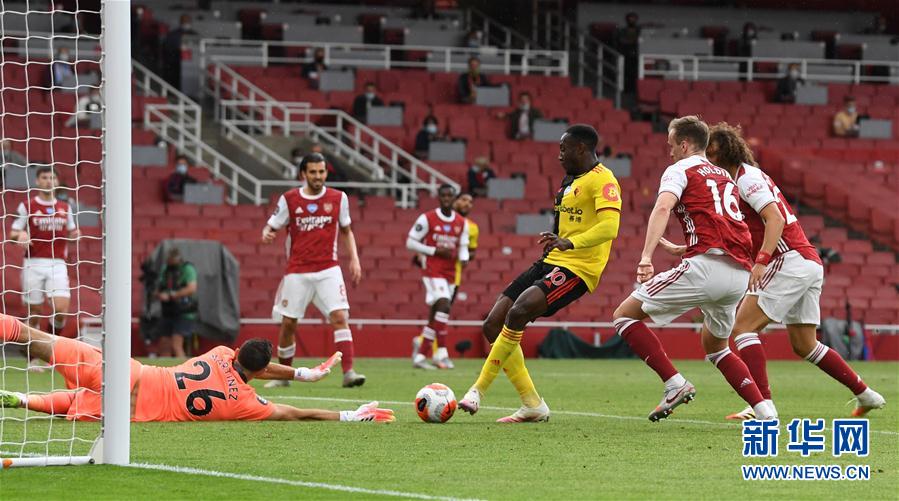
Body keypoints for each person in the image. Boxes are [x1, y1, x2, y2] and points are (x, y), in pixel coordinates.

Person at [703, 123, 885, 419]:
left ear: (722, 153)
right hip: (806, 262)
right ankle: (867, 394)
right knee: (805, 344)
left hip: (788, 260)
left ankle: (762, 405)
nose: (707, 161)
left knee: (743, 328)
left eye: (709, 154)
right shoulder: (738, 182)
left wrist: (761, 261)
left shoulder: (747, 178)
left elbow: (774, 219)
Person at [610, 116, 776, 422]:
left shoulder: (679, 169)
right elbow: (727, 226)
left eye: (672, 145)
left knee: (623, 316)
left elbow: (663, 207)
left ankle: (674, 383)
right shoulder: (725, 176)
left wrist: (646, 256)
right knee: (717, 347)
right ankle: (765, 411)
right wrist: (686, 247)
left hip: (705, 269)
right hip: (738, 274)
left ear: (685, 145)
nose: (670, 151)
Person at [457, 124, 622, 423]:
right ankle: (532, 404)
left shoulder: (604, 180)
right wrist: (557, 238)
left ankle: (477, 390)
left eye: (563, 149)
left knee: (518, 312)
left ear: (581, 148)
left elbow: (610, 227)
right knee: (492, 324)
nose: (559, 155)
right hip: (552, 260)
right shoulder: (569, 181)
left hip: (579, 268)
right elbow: (567, 221)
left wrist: (570, 242)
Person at [0, 314, 395, 423]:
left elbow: (256, 364)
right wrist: (347, 415)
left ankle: (8, 335)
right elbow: (295, 412)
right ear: (259, 372)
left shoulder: (220, 353)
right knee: (74, 404)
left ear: (237, 351)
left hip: (131, 373)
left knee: (38, 339)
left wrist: (303, 373)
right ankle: (19, 399)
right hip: (133, 412)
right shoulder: (244, 403)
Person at [262, 153, 365, 388]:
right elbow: (271, 225)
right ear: (303, 174)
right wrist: (267, 233)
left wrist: (355, 259)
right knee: (289, 323)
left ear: (326, 173)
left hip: (328, 268)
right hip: (297, 270)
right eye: (313, 172)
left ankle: (349, 372)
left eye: (321, 172)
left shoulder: (338, 198)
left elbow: (347, 231)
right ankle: (283, 376)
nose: (318, 176)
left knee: (340, 317)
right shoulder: (289, 199)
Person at [9, 166, 81, 337]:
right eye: (45, 178)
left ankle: (50, 343)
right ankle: (32, 352)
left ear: (57, 182)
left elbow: (72, 232)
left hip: (58, 264)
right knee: (34, 313)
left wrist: (75, 235)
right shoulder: (27, 205)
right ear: (37, 181)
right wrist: (20, 234)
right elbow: (12, 233)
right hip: (33, 263)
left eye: (52, 178)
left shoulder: (65, 207)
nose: (49, 181)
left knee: (61, 310)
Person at [406, 184, 470, 370]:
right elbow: (410, 242)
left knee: (436, 314)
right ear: (439, 197)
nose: (446, 199)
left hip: (450, 272)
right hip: (432, 270)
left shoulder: (461, 222)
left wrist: (464, 258)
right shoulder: (427, 218)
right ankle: (441, 353)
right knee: (444, 304)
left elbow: (463, 246)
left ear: (454, 198)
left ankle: (420, 356)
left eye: (450, 196)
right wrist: (433, 250)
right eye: (443, 195)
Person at [155, 248, 198, 358]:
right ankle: (164, 368)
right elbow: (159, 288)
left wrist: (172, 295)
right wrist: (160, 294)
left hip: (184, 311)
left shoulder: (187, 269)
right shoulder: (166, 269)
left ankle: (184, 367)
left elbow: (191, 288)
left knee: (176, 344)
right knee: (164, 345)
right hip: (168, 311)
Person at [161, 15, 196, 90]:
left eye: (188, 21)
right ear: (181, 22)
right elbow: (167, 48)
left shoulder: (194, 34)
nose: (186, 23)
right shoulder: (173, 34)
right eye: (185, 21)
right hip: (175, 63)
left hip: (191, 63)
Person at [615, 12, 640, 92]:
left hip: (636, 54)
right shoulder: (622, 30)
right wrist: (632, 42)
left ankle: (634, 88)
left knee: (635, 72)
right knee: (626, 72)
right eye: (630, 19)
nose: (632, 20)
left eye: (633, 19)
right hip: (626, 54)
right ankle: (626, 88)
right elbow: (621, 41)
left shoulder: (639, 30)